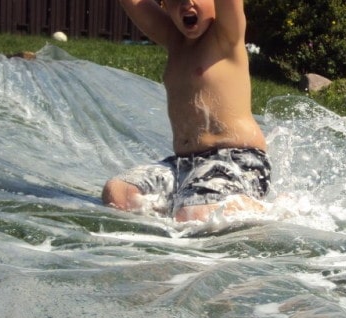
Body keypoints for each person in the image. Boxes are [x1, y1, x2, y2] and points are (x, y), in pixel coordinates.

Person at [102, 0, 271, 222]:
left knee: (193, 215)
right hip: (184, 164)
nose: (186, 3)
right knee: (118, 194)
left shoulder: (226, 34)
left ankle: (263, 210)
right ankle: (188, 204)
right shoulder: (174, 39)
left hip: (238, 160)